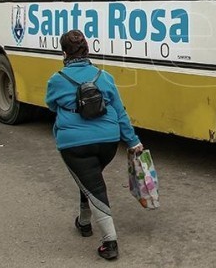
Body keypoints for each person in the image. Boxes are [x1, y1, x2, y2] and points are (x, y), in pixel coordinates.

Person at [45, 30, 143, 261]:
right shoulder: (104, 77)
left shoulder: (57, 80)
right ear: (88, 50)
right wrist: (133, 141)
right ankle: (84, 222)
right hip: (108, 143)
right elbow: (120, 112)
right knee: (89, 179)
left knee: (94, 187)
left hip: (75, 145)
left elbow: (51, 105)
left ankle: (110, 243)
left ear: (63, 53)